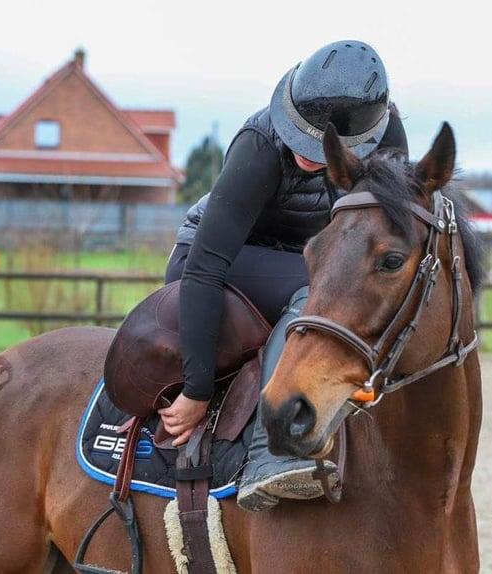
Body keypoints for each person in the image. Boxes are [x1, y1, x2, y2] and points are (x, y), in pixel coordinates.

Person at [159, 39, 409, 512]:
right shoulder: (259, 144)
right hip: (215, 259)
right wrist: (196, 389)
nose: (305, 153)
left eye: (321, 147)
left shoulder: (389, 139)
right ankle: (269, 458)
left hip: (305, 255)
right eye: (299, 136)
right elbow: (205, 267)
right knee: (311, 287)